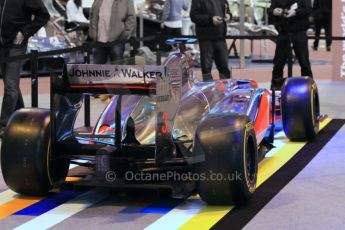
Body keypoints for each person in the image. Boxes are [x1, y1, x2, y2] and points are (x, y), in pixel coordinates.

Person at [0, 0, 50, 137]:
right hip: (2, 45)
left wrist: (24, 33)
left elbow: (44, 15)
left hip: (16, 45)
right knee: (11, 84)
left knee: (10, 86)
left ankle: (3, 125)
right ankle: (22, 116)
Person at [268, 0, 313, 89]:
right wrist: (274, 11)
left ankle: (309, 90)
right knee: (278, 64)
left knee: (304, 63)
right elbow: (270, 9)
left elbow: (308, 9)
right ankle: (275, 91)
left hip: (299, 31)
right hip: (283, 32)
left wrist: (295, 12)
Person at [190, 0, 232, 81]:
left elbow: (227, 10)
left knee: (224, 66)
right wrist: (210, 19)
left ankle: (226, 90)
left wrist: (229, 15)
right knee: (206, 68)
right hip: (206, 38)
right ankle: (208, 91)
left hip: (221, 37)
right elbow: (193, 16)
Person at [89, 0, 136, 64]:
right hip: (99, 40)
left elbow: (131, 17)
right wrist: (92, 33)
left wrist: (125, 34)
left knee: (116, 70)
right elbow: (92, 14)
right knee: (96, 70)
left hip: (117, 40)